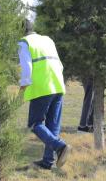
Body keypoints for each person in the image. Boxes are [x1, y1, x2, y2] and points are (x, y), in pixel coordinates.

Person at [18, 20, 71, 170]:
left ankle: (60, 146)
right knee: (52, 125)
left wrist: (22, 90)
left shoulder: (24, 43)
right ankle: (48, 162)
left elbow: (27, 69)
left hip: (42, 88)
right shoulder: (47, 40)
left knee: (35, 124)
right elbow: (60, 64)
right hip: (58, 85)